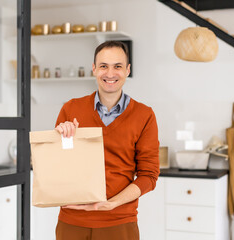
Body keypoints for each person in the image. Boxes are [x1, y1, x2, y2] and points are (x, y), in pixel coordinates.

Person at [54, 41, 160, 240]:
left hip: (119, 222)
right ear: (94, 69)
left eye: (117, 66)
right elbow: (56, 167)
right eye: (103, 66)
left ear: (127, 70)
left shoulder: (144, 115)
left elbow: (149, 175)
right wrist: (60, 139)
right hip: (72, 221)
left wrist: (112, 203)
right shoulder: (71, 109)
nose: (110, 73)